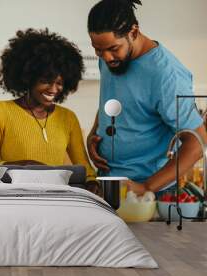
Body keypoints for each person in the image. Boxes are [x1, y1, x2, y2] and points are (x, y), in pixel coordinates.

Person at [86, 0, 207, 196]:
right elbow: (113, 100)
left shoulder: (166, 75)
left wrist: (146, 188)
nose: (106, 57)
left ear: (133, 32)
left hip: (148, 192)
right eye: (98, 50)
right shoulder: (111, 60)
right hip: (109, 182)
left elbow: (197, 142)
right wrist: (94, 135)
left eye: (113, 49)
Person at [0, 28, 98, 190]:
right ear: (28, 78)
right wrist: (23, 165)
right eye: (46, 80)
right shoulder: (0, 111)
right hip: (14, 196)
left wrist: (92, 182)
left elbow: (84, 168)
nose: (53, 89)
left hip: (54, 197)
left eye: (59, 83)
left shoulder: (68, 117)